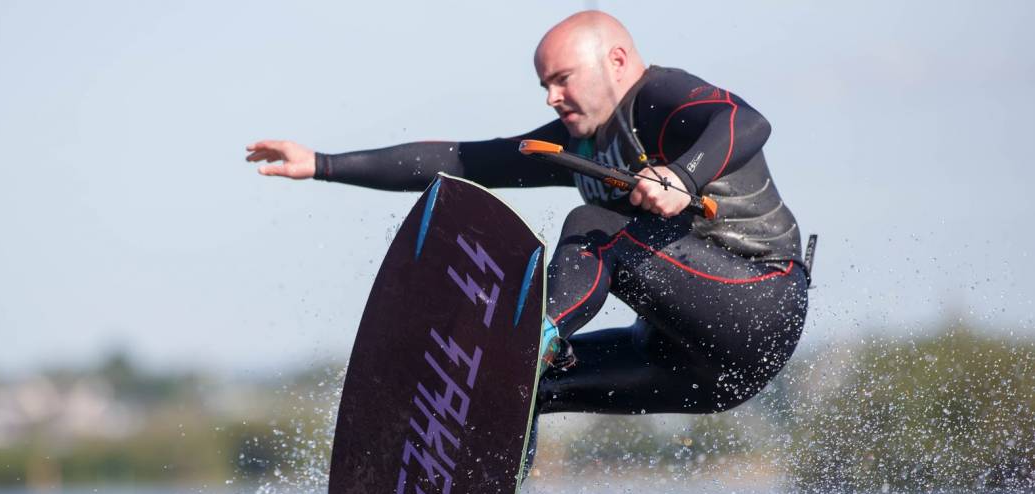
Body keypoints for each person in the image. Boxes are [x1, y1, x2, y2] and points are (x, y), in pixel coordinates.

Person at [247, 11, 808, 467]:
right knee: (524, 388)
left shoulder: (658, 97)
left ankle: (534, 337)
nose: (551, 98)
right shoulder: (576, 145)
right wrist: (320, 163)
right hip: (693, 369)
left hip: (759, 303)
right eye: (545, 85)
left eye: (562, 79)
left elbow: (747, 120)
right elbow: (455, 159)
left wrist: (683, 177)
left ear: (616, 60)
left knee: (590, 228)